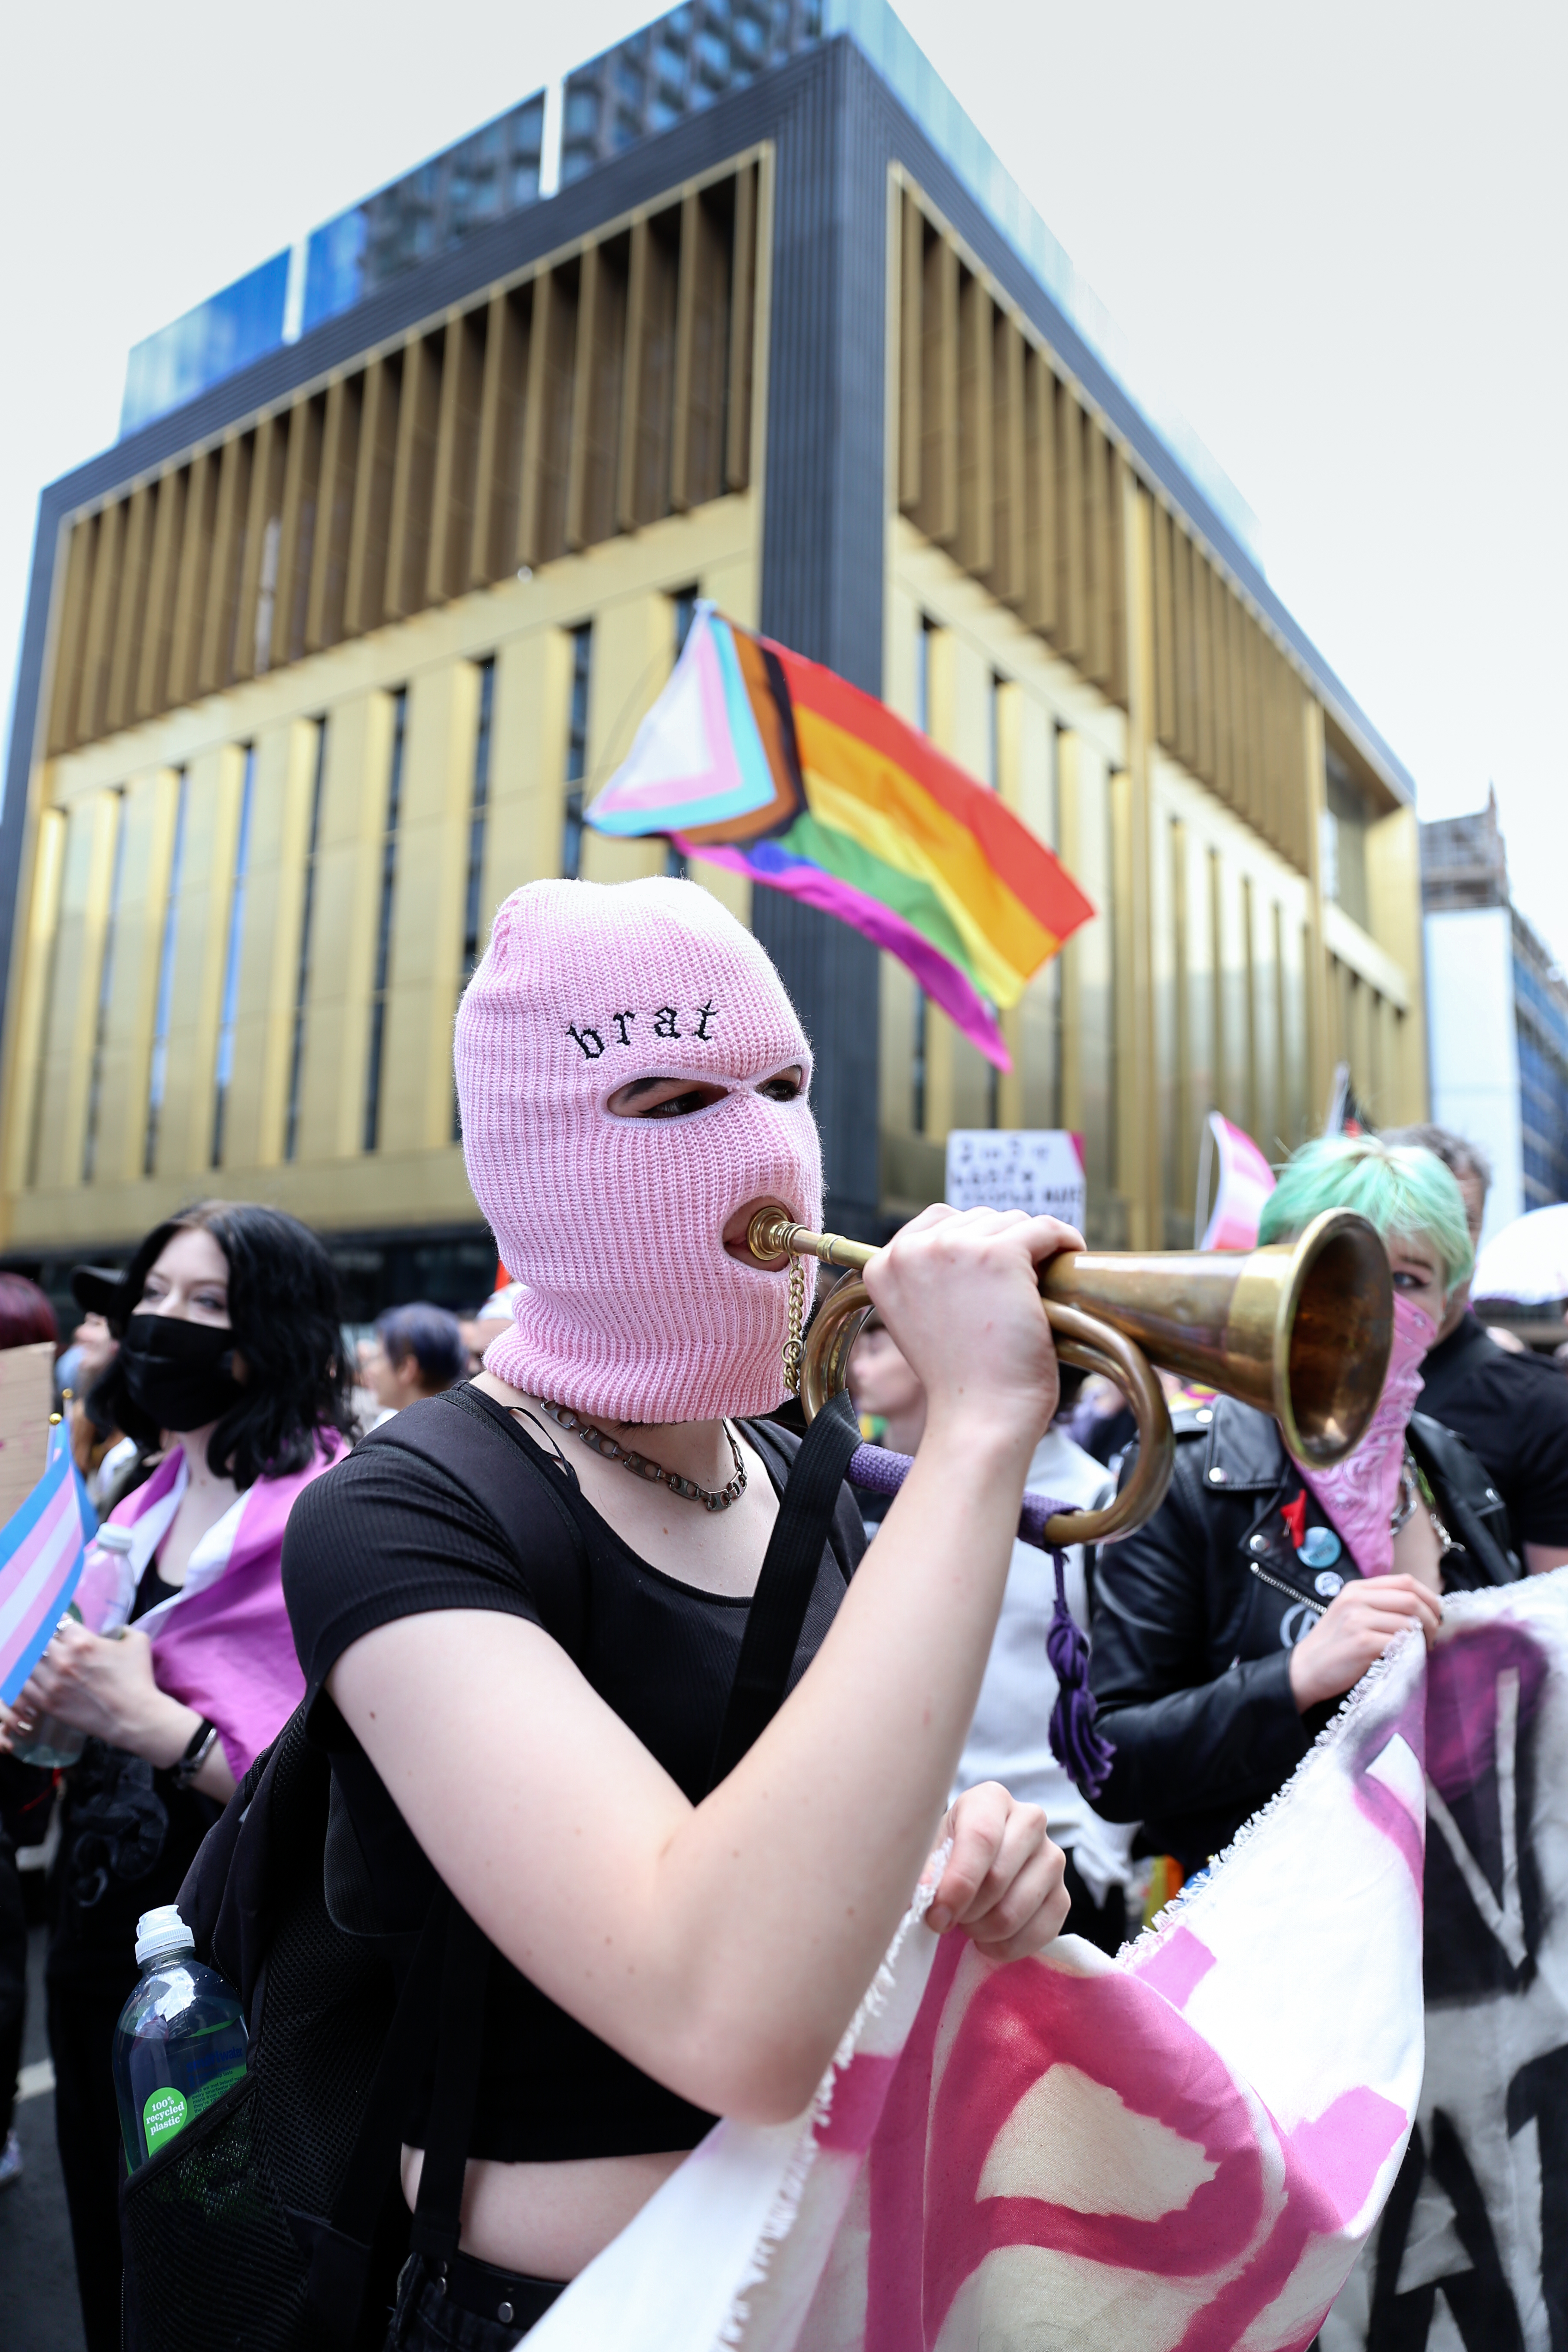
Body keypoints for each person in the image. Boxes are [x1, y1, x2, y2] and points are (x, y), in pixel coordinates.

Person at [282, 876, 1078, 2348]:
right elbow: (730, 2016)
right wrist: (977, 1436)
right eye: (666, 1098)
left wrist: (980, 1847)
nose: (765, 1145)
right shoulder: (399, 1514)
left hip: (861, 2276)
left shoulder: (812, 1480)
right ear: (534, 1158)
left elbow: (829, 1822)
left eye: (787, 1087)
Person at [0, 1201, 352, 2352]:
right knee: (109, 2241)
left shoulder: (335, 1519)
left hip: (235, 1955)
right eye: (154, 1295)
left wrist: (161, 1728)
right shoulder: (130, 1502)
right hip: (106, 1941)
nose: (163, 1325)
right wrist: (45, 1712)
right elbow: (83, 1710)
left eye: (207, 1304)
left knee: (219, 2264)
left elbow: (354, 1789)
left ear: (275, 1333)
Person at [1088, 1134, 1520, 1878]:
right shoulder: (1182, 1471)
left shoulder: (1450, 1466)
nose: (1376, 1306)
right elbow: (1112, 1761)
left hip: (1448, 1930)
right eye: (1342, 1270)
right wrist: (1293, 1677)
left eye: (1410, 1278)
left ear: (1448, 1303)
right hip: (1259, 1928)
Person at [849, 1314, 1134, 1951]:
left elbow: (1134, 1685)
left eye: (882, 1337)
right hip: (920, 1854)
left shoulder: (1100, 1497)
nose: (865, 1357)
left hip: (1059, 1853)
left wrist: (1099, 1855)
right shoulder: (883, 1488)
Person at [1381, 1122, 1568, 1574]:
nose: (1436, 1238)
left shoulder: (1541, 1405)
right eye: (1413, 1212)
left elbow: (1555, 1613)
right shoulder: (1281, 1397)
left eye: (1459, 1219)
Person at [362, 1301, 470, 1419]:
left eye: (379, 1357)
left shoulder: (394, 1433)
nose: (371, 1370)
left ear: (407, 1368)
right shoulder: (464, 1425)